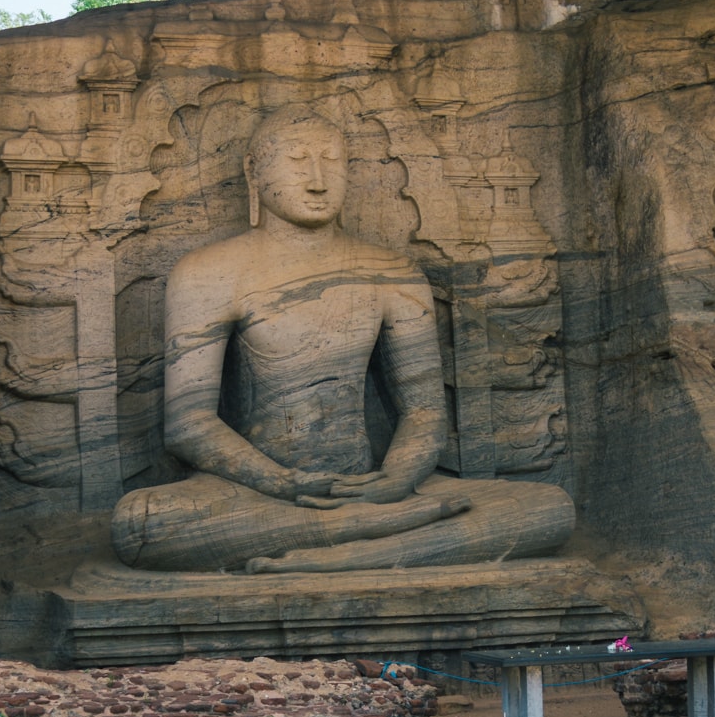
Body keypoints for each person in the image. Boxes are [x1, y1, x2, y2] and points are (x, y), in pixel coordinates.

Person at [111, 105, 574, 573]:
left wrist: (395, 480)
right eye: (296, 160)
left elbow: (424, 411)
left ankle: (336, 548)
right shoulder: (208, 273)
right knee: (141, 525)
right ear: (255, 170)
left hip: (373, 488)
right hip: (256, 493)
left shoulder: (391, 272)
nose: (317, 179)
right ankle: (367, 536)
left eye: (332, 160)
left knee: (550, 508)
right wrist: (279, 482)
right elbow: (189, 426)